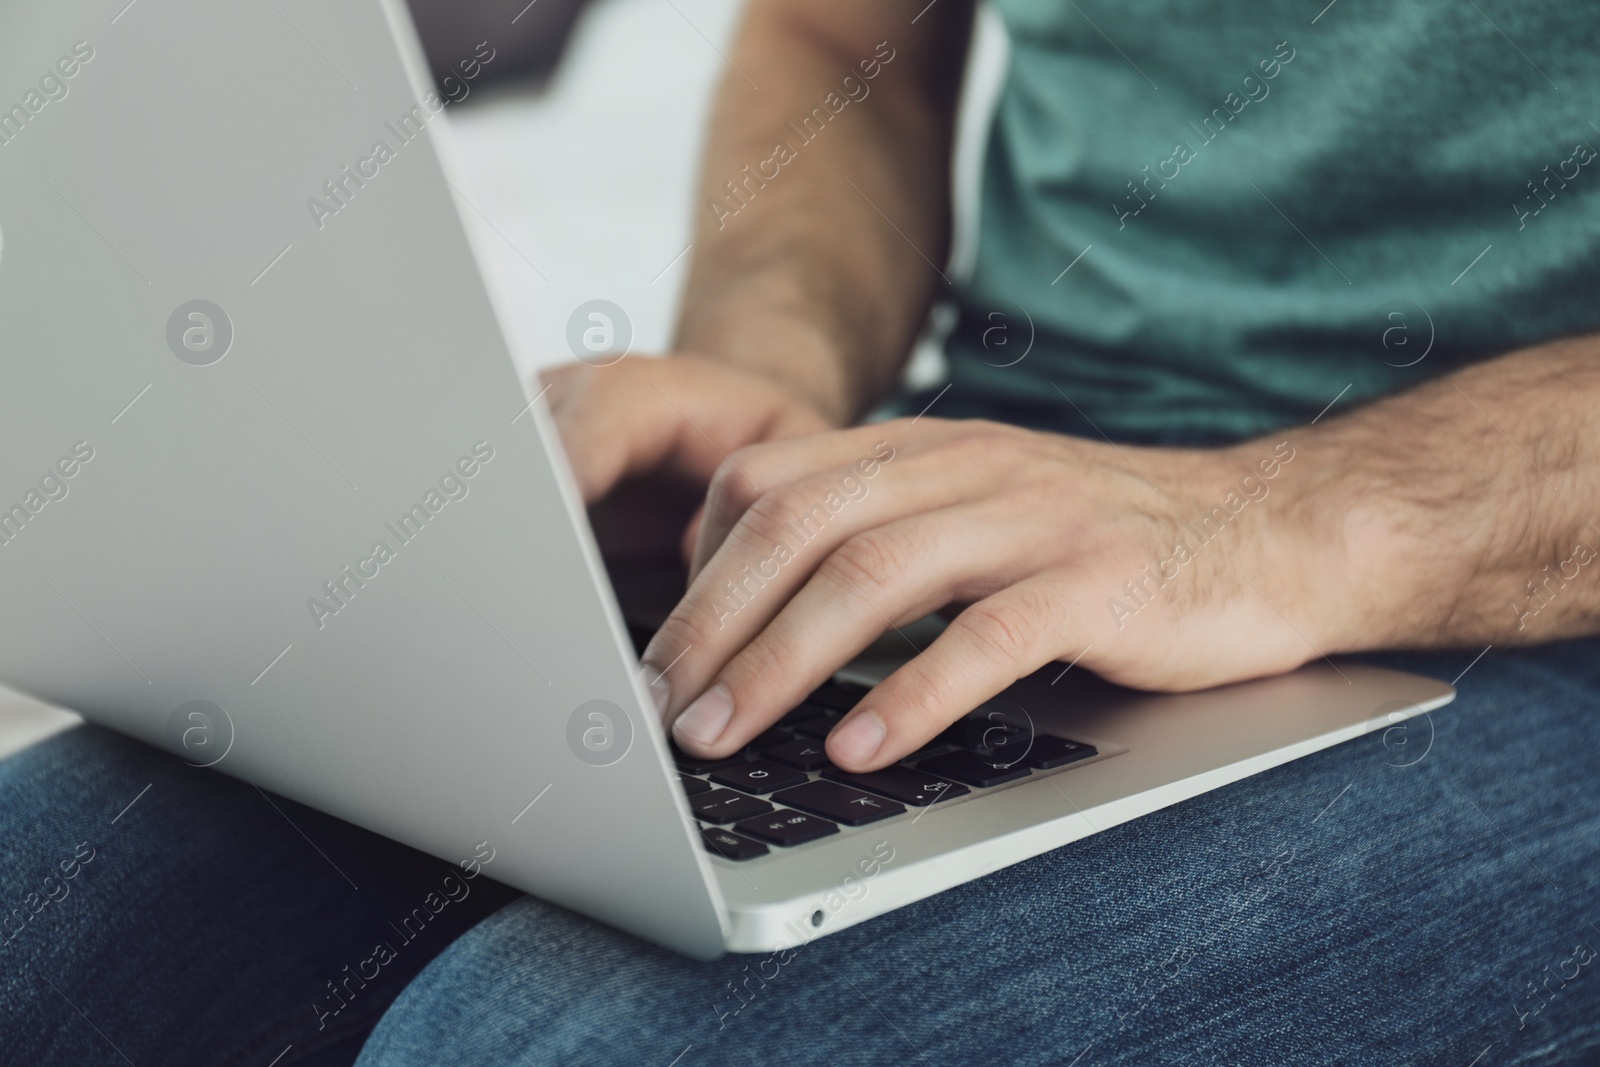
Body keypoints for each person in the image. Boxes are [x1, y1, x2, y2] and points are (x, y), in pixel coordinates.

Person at [6, 1, 1600, 1063]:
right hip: (985, 482)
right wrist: (773, 375)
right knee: (43, 910)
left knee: (544, 1047)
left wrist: (1300, 520)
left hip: (1505, 602)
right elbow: (838, 27)